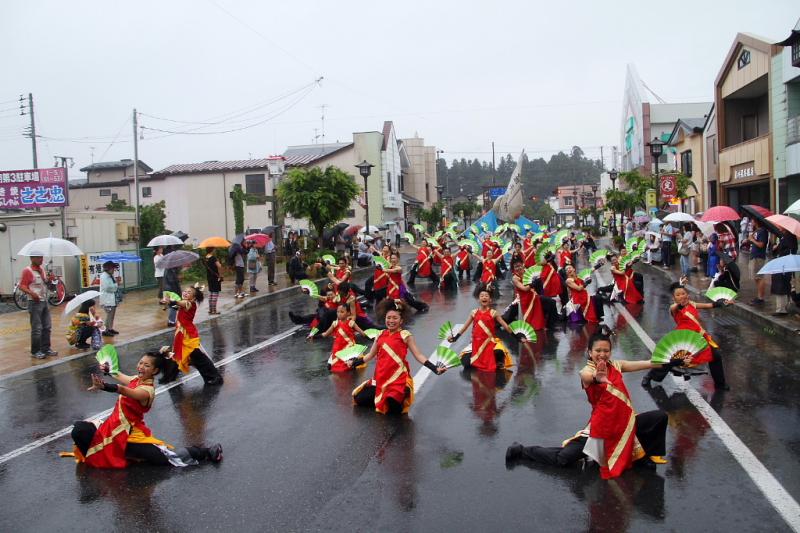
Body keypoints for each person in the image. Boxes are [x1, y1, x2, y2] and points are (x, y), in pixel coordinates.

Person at [506, 330, 674, 476]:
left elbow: (645, 363)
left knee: (659, 417)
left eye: (606, 350)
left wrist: (669, 363)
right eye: (598, 350)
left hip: (623, 423)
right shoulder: (588, 370)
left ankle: (642, 456)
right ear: (589, 352)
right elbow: (586, 376)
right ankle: (522, 451)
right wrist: (597, 378)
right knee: (563, 459)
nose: (602, 354)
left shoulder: (616, 365)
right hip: (600, 429)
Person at [69, 350, 222, 468]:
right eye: (141, 363)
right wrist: (108, 369)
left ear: (155, 371)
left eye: (146, 365)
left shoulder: (147, 390)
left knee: (167, 459)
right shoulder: (136, 380)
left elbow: (125, 390)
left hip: (131, 434)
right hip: (112, 426)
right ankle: (108, 454)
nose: (141, 367)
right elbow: (119, 375)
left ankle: (206, 452)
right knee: (79, 429)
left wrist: (105, 386)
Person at [350, 300, 446, 415]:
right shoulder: (380, 335)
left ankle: (401, 394)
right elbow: (370, 355)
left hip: (397, 378)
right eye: (388, 318)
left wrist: (434, 368)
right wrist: (355, 362)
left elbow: (418, 355)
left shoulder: (405, 335)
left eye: (395, 318)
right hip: (380, 378)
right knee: (359, 400)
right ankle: (383, 397)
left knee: (393, 407)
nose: (391, 321)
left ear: (401, 321)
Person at [641, 282, 729, 390]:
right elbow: (674, 307)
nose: (681, 296)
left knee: (716, 356)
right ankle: (649, 376)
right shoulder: (673, 308)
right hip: (682, 339)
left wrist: (721, 303)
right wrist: (679, 305)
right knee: (668, 360)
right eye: (678, 295)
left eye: (683, 293)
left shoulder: (692, 304)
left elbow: (707, 305)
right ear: (674, 298)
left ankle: (720, 385)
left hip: (697, 338)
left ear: (687, 295)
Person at [448, 289, 525, 372]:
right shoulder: (473, 312)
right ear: (478, 299)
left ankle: (493, 361)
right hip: (476, 343)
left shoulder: (493, 313)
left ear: (490, 300)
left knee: (499, 352)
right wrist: (455, 338)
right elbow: (464, 327)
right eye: (482, 296)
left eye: (486, 296)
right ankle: (486, 361)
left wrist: (517, 337)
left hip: (489, 342)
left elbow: (505, 326)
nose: (484, 297)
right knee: (465, 361)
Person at [161, 284, 223, 385]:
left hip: (188, 335)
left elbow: (180, 303)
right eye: (185, 291)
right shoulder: (183, 303)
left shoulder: (190, 304)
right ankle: (170, 376)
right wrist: (165, 302)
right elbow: (176, 305)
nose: (185, 293)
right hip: (181, 334)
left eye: (189, 292)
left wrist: (172, 301)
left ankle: (215, 376)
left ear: (193, 298)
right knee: (179, 355)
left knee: (197, 357)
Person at [19, 255, 58, 359]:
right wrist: (32, 293)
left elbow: (48, 286)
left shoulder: (42, 270)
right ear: (32, 258)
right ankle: (35, 351)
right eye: (38, 258)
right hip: (34, 302)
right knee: (37, 328)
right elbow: (22, 286)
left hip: (44, 301)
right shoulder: (27, 271)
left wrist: (50, 280)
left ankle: (46, 348)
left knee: (47, 326)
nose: (41, 259)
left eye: (41, 257)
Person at [321, 304, 367, 373]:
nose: (339, 314)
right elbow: (326, 334)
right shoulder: (335, 324)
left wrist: (371, 335)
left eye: (342, 312)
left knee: (348, 365)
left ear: (348, 313)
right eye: (338, 312)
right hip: (338, 348)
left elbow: (362, 333)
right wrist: (317, 335)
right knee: (336, 365)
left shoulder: (351, 323)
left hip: (349, 348)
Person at [771, 228, 798, 315]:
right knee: (782, 285)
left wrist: (778, 248)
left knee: (782, 286)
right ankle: (782, 308)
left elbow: (790, 250)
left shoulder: (789, 237)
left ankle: (782, 309)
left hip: (784, 264)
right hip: (782, 264)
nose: (779, 227)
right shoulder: (783, 236)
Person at [748, 218, 768, 305]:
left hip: (759, 257)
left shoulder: (763, 231)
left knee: (759, 277)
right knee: (756, 278)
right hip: (754, 256)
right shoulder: (756, 230)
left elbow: (761, 244)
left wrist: (752, 240)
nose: (751, 222)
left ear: (756, 221)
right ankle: (759, 296)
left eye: (752, 220)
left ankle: (761, 298)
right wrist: (749, 240)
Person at [99, 261, 120, 337]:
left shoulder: (110, 275)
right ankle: (105, 330)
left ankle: (110, 328)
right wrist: (116, 284)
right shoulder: (104, 276)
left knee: (112, 314)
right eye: (112, 268)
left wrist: (116, 282)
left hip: (111, 298)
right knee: (109, 315)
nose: (113, 270)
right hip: (107, 299)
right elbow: (107, 287)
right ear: (108, 269)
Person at [204, 247, 223, 315]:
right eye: (214, 249)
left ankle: (210, 309)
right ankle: (214, 310)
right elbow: (219, 266)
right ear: (211, 250)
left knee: (211, 293)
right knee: (215, 293)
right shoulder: (213, 258)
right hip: (215, 277)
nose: (215, 250)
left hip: (209, 277)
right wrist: (218, 262)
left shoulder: (206, 258)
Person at [163, 263, 181, 328]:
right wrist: (177, 278)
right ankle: (171, 322)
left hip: (170, 289)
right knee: (173, 306)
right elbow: (171, 280)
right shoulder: (171, 269)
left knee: (173, 305)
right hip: (172, 290)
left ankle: (171, 321)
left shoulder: (170, 268)